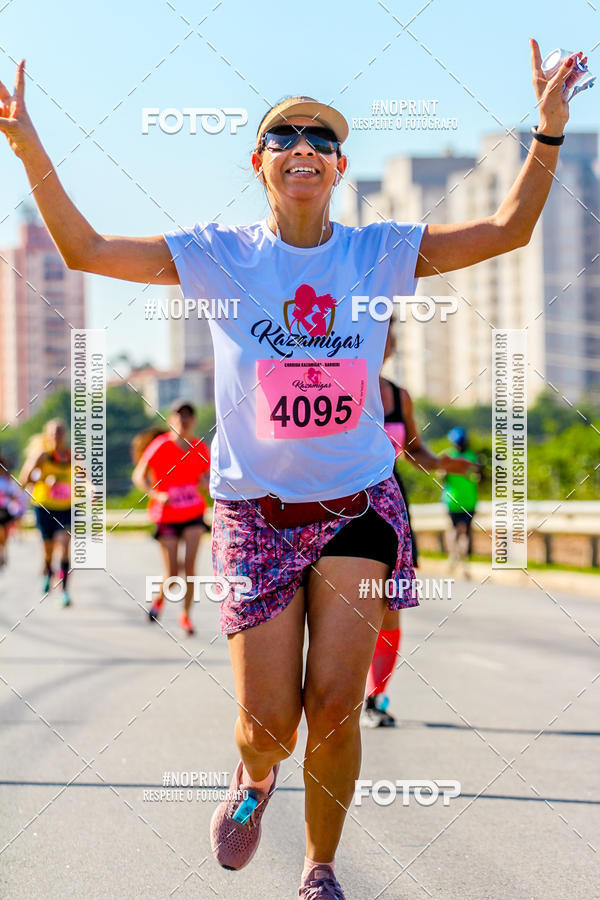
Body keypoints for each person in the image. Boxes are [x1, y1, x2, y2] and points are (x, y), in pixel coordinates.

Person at [0, 40, 579, 898]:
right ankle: (256, 775)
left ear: (340, 166)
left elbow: (507, 231)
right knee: (269, 727)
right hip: (255, 514)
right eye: (283, 135)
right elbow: (84, 248)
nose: (302, 144)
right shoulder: (217, 254)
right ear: (259, 162)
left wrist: (548, 132)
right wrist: (26, 145)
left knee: (337, 706)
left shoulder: (378, 251)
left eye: (320, 136)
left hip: (359, 510)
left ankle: (319, 870)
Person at [362, 324, 478, 727]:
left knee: (388, 607)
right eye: (380, 329)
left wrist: (446, 463)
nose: (388, 340)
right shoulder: (324, 379)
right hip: (334, 509)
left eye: (391, 332)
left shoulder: (398, 395)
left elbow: (414, 452)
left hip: (390, 506)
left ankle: (376, 699)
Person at [131, 400, 210, 635]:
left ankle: (185, 616)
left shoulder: (199, 447)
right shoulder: (160, 445)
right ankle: (159, 602)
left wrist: (211, 486)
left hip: (193, 512)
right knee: (173, 573)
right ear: (172, 419)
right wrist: (156, 494)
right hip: (166, 515)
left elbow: (206, 479)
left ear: (193, 421)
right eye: (179, 415)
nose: (184, 420)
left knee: (191, 568)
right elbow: (139, 476)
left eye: (188, 416)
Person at [19, 420, 72, 604]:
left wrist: (91, 490)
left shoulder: (71, 455)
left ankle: (64, 589)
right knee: (48, 551)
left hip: (66, 507)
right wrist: (41, 477)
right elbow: (24, 479)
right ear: (47, 435)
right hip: (44, 507)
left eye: (59, 433)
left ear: (64, 435)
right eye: (53, 433)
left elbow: (83, 477)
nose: (56, 436)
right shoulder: (41, 456)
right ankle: (48, 572)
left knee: (65, 546)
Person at [442, 426, 480, 578]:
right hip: (470, 500)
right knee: (466, 532)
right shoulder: (472, 456)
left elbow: (443, 478)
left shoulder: (448, 457)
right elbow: (478, 477)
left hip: (452, 500)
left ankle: (453, 558)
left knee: (454, 531)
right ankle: (465, 565)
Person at [0, 453, 29, 569]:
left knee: (4, 533)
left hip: (5, 509)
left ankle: (4, 551)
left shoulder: (8, 480)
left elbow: (15, 494)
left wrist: (6, 495)